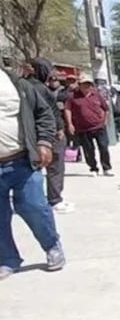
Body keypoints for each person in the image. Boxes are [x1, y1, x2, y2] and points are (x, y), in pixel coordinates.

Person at [0, 64, 62, 280]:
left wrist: (44, 142)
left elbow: (44, 114)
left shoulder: (18, 85)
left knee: (34, 207)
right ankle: (8, 259)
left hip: (21, 161)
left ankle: (52, 245)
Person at [24, 58, 72, 213]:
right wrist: (59, 129)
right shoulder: (40, 89)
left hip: (28, 133)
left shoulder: (21, 85)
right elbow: (50, 112)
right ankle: (55, 200)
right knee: (55, 166)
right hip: (49, 134)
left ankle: (31, 201)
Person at [65, 76, 112, 176]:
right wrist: (70, 124)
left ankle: (106, 168)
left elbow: (106, 109)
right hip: (83, 128)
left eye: (88, 85)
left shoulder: (97, 95)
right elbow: (67, 109)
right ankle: (93, 168)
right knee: (88, 150)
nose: (86, 87)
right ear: (80, 86)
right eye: (84, 85)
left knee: (103, 147)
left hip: (99, 126)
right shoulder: (73, 97)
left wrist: (105, 120)